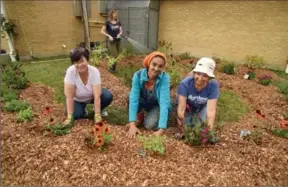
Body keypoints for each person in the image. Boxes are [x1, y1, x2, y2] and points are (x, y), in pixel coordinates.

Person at [126, 51, 172, 138]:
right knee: (130, 97)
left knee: (149, 125)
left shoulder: (164, 78)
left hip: (157, 105)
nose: (156, 68)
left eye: (160, 66)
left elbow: (163, 103)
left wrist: (161, 130)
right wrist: (132, 125)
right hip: (144, 101)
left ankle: (149, 117)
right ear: (149, 64)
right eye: (154, 64)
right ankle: (140, 116)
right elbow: (134, 99)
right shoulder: (138, 75)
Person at [63, 47, 113, 125]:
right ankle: (82, 109)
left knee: (107, 96)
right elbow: (69, 96)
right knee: (76, 115)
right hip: (78, 99)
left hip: (91, 96)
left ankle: (99, 109)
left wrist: (97, 115)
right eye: (76, 62)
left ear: (87, 60)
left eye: (82, 61)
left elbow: (97, 96)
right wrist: (69, 116)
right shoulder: (70, 72)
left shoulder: (94, 72)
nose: (79, 65)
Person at [176, 57, 220, 136]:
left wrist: (209, 132)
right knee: (187, 128)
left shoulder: (213, 85)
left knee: (199, 129)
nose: (200, 78)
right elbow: (181, 109)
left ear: (209, 77)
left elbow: (211, 110)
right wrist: (182, 130)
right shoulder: (185, 84)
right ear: (194, 73)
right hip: (187, 108)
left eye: (205, 76)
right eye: (198, 74)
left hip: (201, 108)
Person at [100, 8, 122, 72]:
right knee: (114, 55)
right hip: (112, 41)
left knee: (116, 55)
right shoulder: (107, 22)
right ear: (111, 14)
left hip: (118, 41)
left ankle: (113, 68)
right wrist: (109, 36)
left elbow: (121, 31)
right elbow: (102, 31)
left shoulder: (118, 22)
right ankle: (111, 68)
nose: (116, 15)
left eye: (117, 14)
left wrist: (119, 35)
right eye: (115, 14)